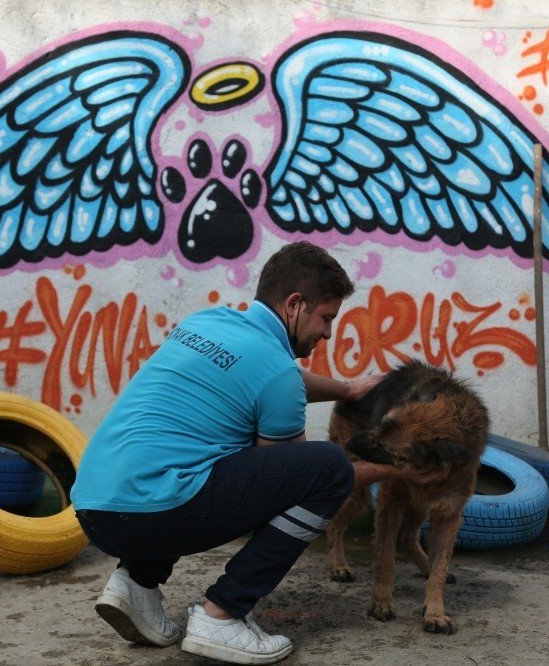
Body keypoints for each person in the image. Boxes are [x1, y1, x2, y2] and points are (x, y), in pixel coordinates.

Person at [70, 241, 440, 665]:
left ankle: (134, 584)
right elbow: (300, 478)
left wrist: (347, 389)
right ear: (295, 304)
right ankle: (222, 615)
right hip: (147, 515)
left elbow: (276, 376)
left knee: (195, 456)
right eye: (326, 318)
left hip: (93, 507)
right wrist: (395, 468)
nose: (328, 333)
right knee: (329, 467)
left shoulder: (209, 323)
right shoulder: (277, 374)